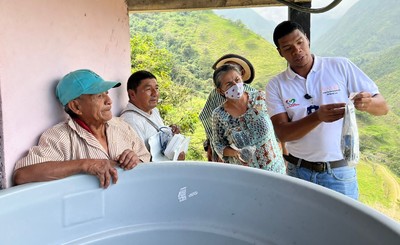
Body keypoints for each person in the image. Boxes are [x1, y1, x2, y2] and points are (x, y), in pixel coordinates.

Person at [265, 21, 389, 199]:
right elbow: (283, 134)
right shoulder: (276, 85)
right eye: (288, 48)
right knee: (300, 226)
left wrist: (368, 103)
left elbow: (383, 107)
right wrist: (317, 117)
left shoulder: (340, 66)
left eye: (300, 42)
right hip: (298, 172)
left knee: (344, 226)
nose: (297, 50)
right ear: (280, 52)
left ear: (307, 39)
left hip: (339, 172)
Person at [13, 69, 151, 188]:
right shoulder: (59, 137)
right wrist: (85, 164)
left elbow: (146, 158)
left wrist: (135, 160)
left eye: (106, 93)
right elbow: (22, 175)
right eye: (99, 96)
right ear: (76, 107)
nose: (109, 101)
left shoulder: (122, 126)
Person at [211, 64, 286, 173]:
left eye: (237, 80)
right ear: (220, 91)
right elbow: (218, 145)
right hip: (245, 175)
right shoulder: (219, 115)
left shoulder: (260, 98)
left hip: (275, 169)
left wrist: (286, 156)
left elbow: (280, 127)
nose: (236, 85)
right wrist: (237, 153)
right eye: (229, 84)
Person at [199, 54, 257, 161]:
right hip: (226, 152)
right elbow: (208, 119)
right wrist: (210, 146)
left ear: (241, 73)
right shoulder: (215, 95)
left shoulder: (256, 95)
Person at [120, 70, 185, 161]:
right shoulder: (131, 121)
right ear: (132, 94)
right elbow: (141, 160)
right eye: (148, 89)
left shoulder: (154, 111)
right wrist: (174, 159)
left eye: (156, 88)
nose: (155, 94)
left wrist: (169, 132)